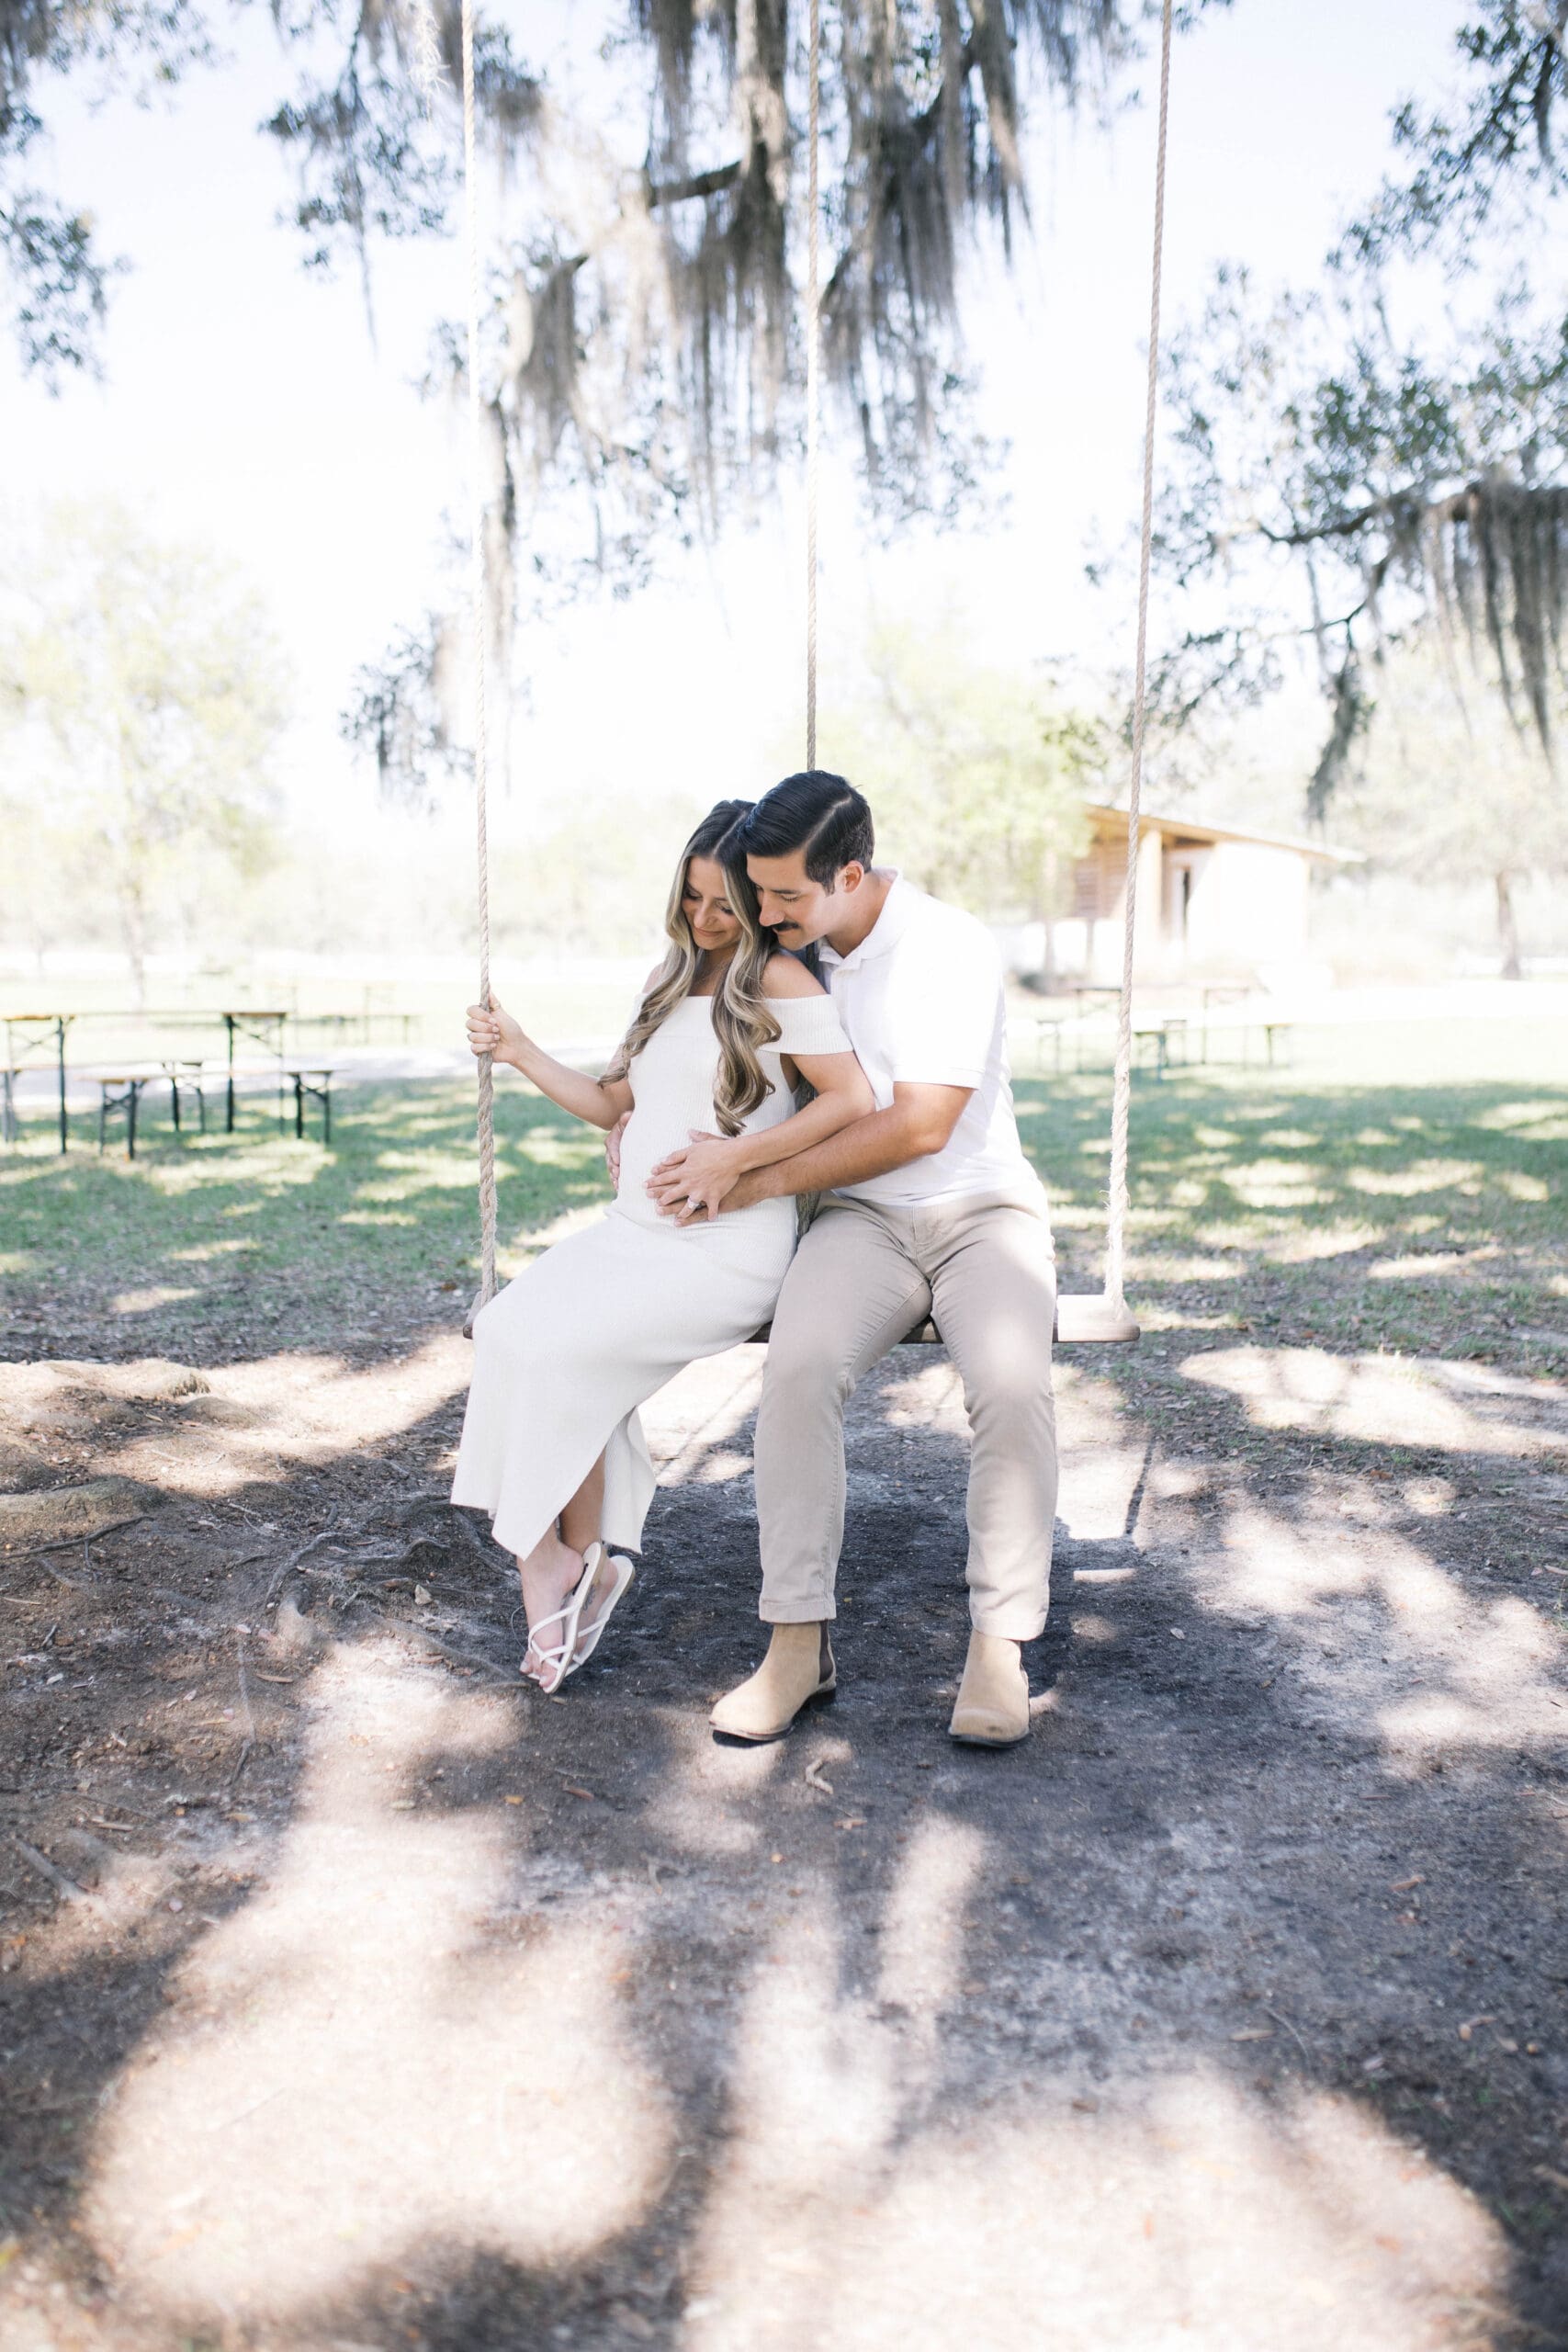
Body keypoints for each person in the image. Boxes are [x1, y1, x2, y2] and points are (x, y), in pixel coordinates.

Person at [647, 771, 1057, 1749]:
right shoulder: (793, 952)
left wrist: (744, 1181)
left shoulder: (946, 944)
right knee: (794, 1370)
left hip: (979, 1210)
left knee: (1009, 1381)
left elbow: (919, 1123)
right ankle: (796, 1644)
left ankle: (1000, 1644)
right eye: (760, 892)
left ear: (853, 873)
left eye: (789, 895)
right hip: (858, 1222)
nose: (767, 912)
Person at [451, 800, 871, 1692]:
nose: (705, 919)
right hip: (631, 1234)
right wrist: (521, 1049)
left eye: (725, 904)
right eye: (691, 898)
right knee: (508, 1331)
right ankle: (576, 1556)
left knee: (562, 1353)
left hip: (724, 1245)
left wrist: (739, 1156)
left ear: (760, 904)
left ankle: (555, 1568)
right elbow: (613, 1105)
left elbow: (851, 1103)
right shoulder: (665, 976)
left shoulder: (782, 986)